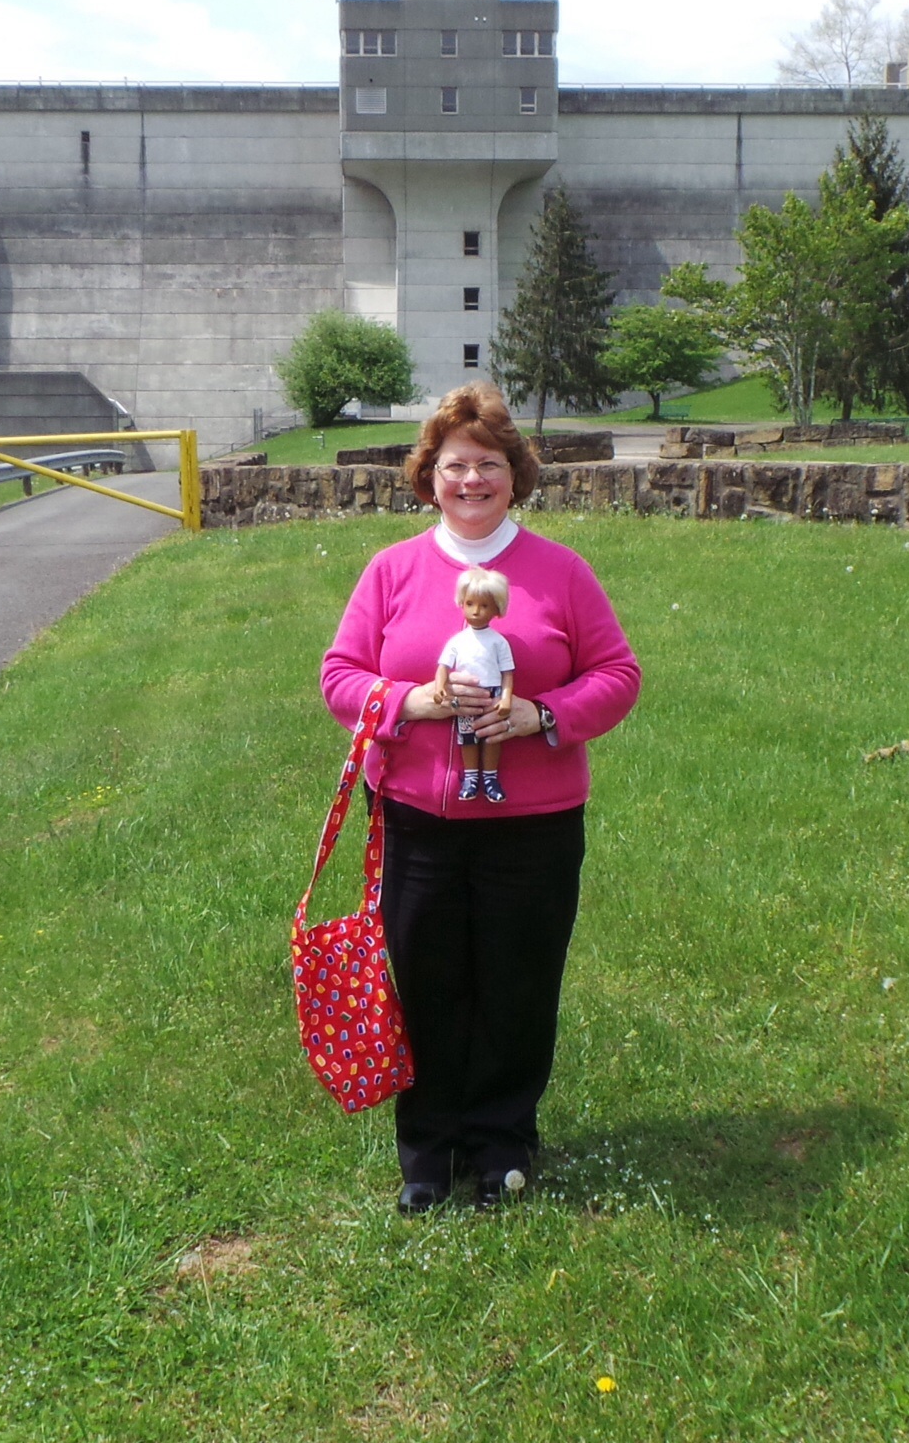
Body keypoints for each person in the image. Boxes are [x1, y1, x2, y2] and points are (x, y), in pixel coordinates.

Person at [319, 383, 643, 1213]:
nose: (472, 480)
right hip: (416, 821)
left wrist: (544, 716)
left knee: (518, 982)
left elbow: (617, 674)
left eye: (489, 464)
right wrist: (410, 702)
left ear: (515, 475)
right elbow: (340, 675)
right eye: (455, 465)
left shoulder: (561, 571)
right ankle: (429, 1150)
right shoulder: (392, 570)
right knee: (426, 980)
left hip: (533, 826)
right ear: (430, 476)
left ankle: (502, 1141)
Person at [436, 566, 517, 803]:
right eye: (470, 604)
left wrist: (506, 698)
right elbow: (443, 666)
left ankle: (490, 778)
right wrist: (440, 687)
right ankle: (471, 778)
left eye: (484, 606)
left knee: (493, 737)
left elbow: (507, 673)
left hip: (492, 695)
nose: (476, 611)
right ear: (461, 604)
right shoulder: (458, 641)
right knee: (467, 738)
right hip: (466, 697)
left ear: (496, 609)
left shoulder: (498, 642)